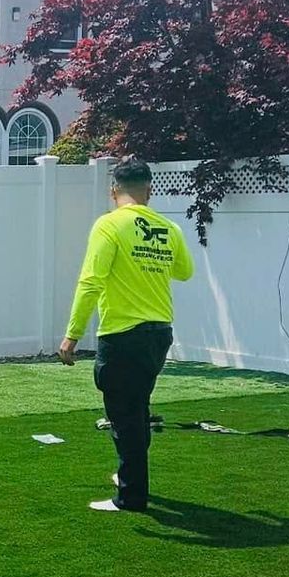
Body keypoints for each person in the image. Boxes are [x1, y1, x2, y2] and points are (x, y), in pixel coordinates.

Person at [57, 159, 194, 513]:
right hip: (159, 333)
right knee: (138, 408)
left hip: (122, 334)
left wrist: (72, 334)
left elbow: (91, 281)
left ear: (113, 190)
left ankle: (131, 497)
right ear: (149, 190)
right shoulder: (168, 228)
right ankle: (127, 477)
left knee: (125, 417)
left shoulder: (109, 225)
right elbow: (185, 272)